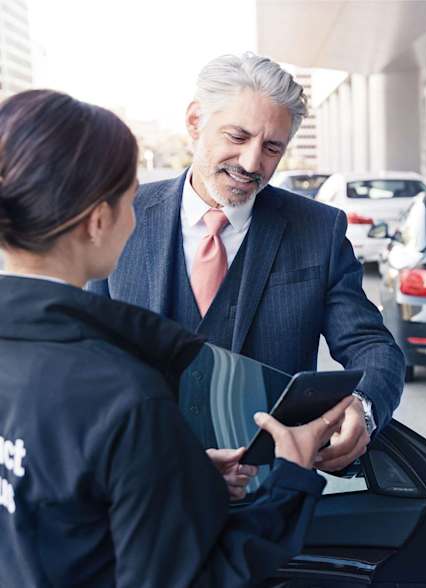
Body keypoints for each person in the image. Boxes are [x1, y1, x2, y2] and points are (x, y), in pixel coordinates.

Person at [0, 89, 351, 586]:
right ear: (99, 221)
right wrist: (290, 481)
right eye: (128, 198)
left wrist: (186, 476)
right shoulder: (126, 399)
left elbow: (54, 505)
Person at [89, 53, 405, 473]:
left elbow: (372, 346)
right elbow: (85, 352)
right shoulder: (121, 214)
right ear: (194, 120)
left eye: (272, 147)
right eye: (237, 137)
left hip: (271, 497)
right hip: (144, 486)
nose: (252, 163)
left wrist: (362, 411)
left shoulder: (318, 229)